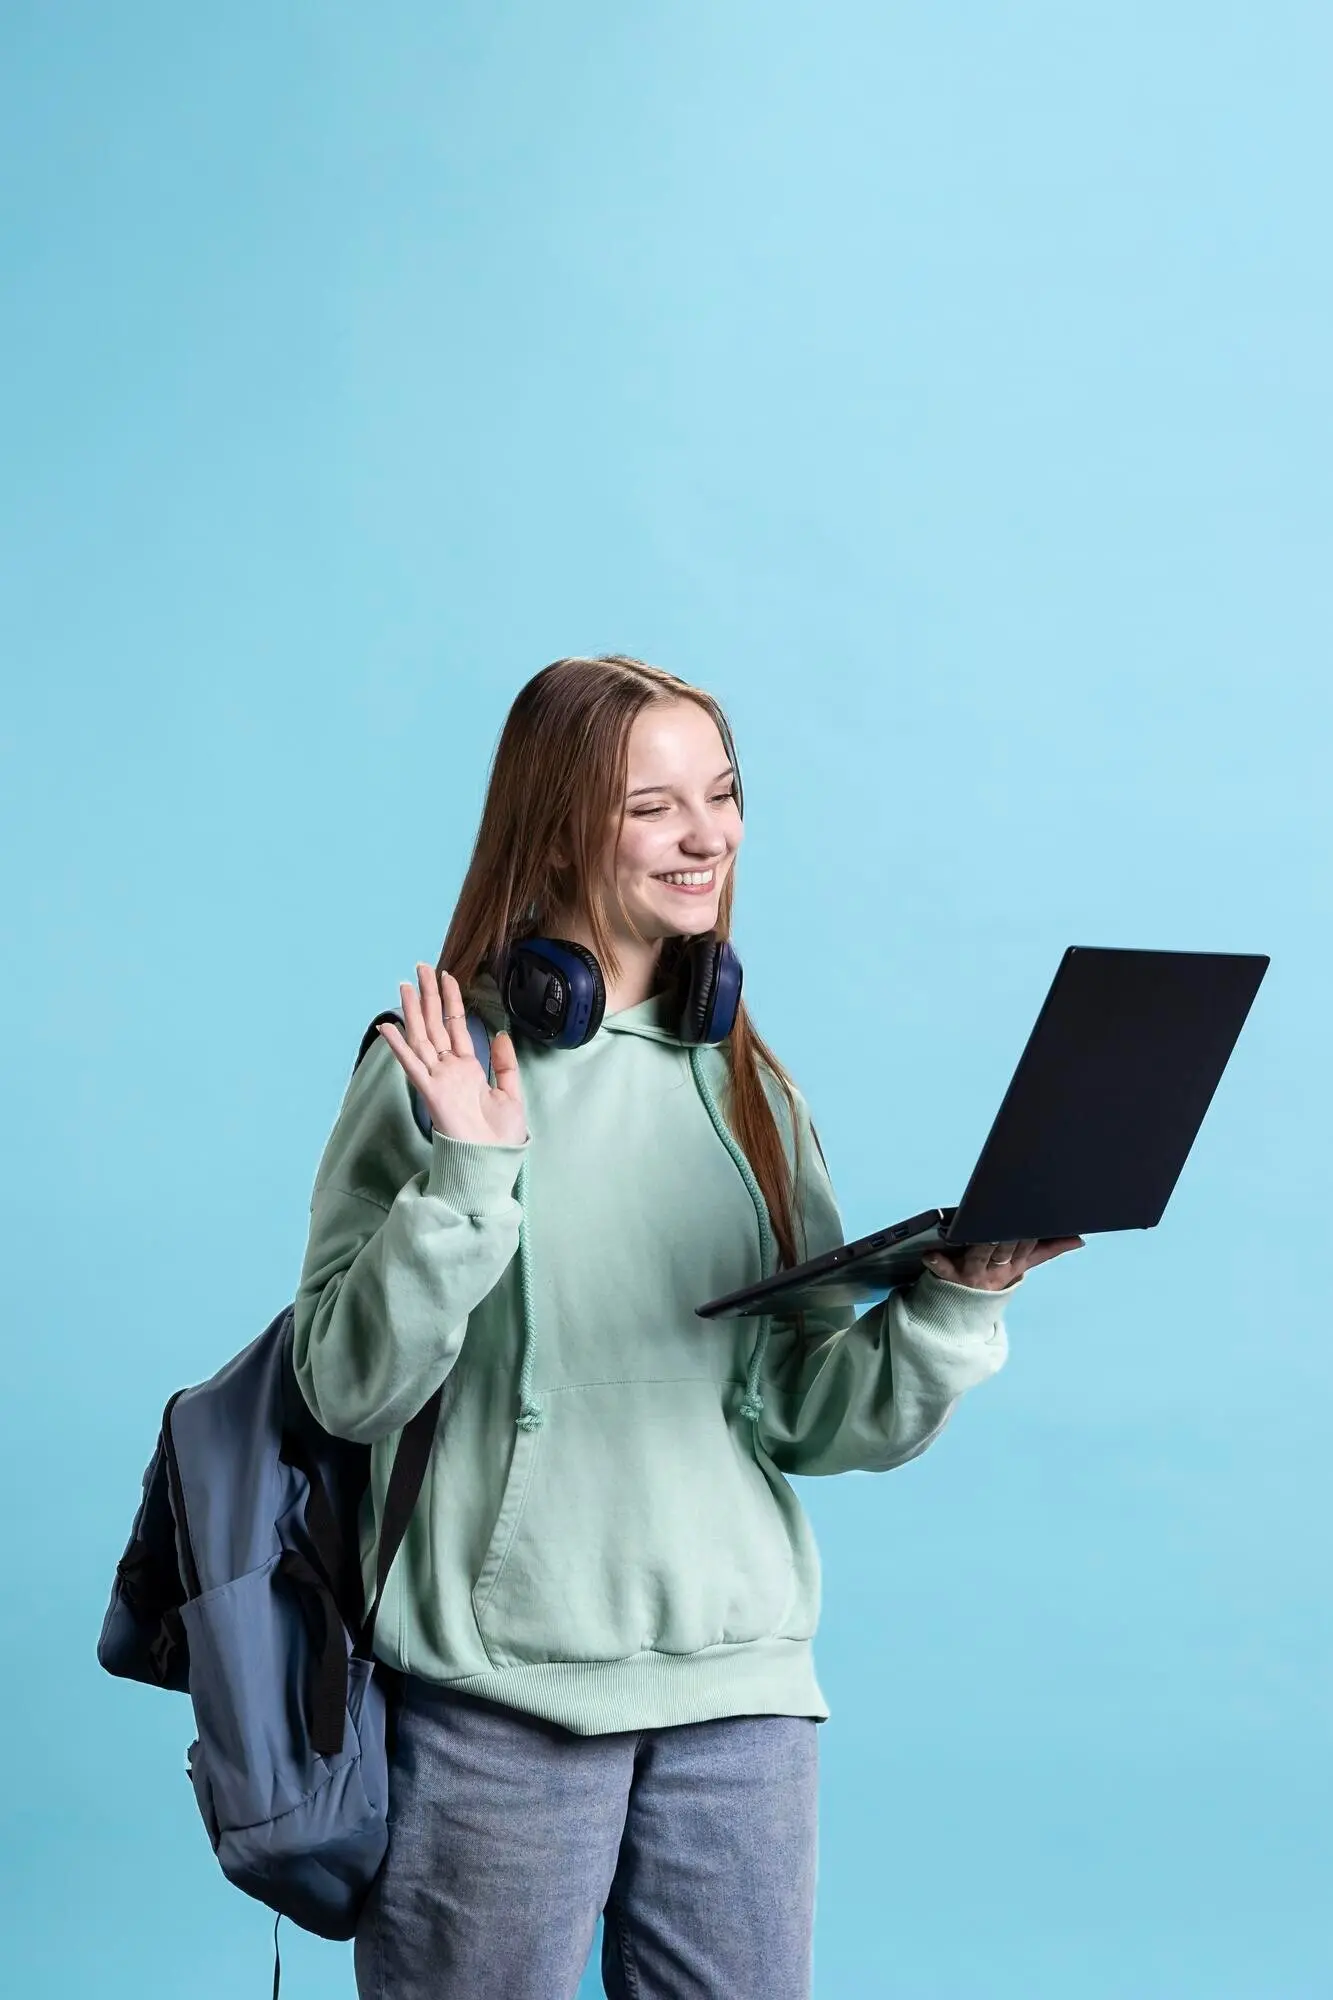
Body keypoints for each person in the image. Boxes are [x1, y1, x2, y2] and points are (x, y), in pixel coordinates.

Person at [293, 653, 1083, 2000]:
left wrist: (962, 1298)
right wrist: (471, 1178)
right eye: (654, 805)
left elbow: (809, 1414)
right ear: (556, 823)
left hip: (744, 1698)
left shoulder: (751, 1084)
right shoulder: (438, 1060)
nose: (706, 834)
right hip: (500, 1696)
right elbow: (345, 1389)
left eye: (720, 796)